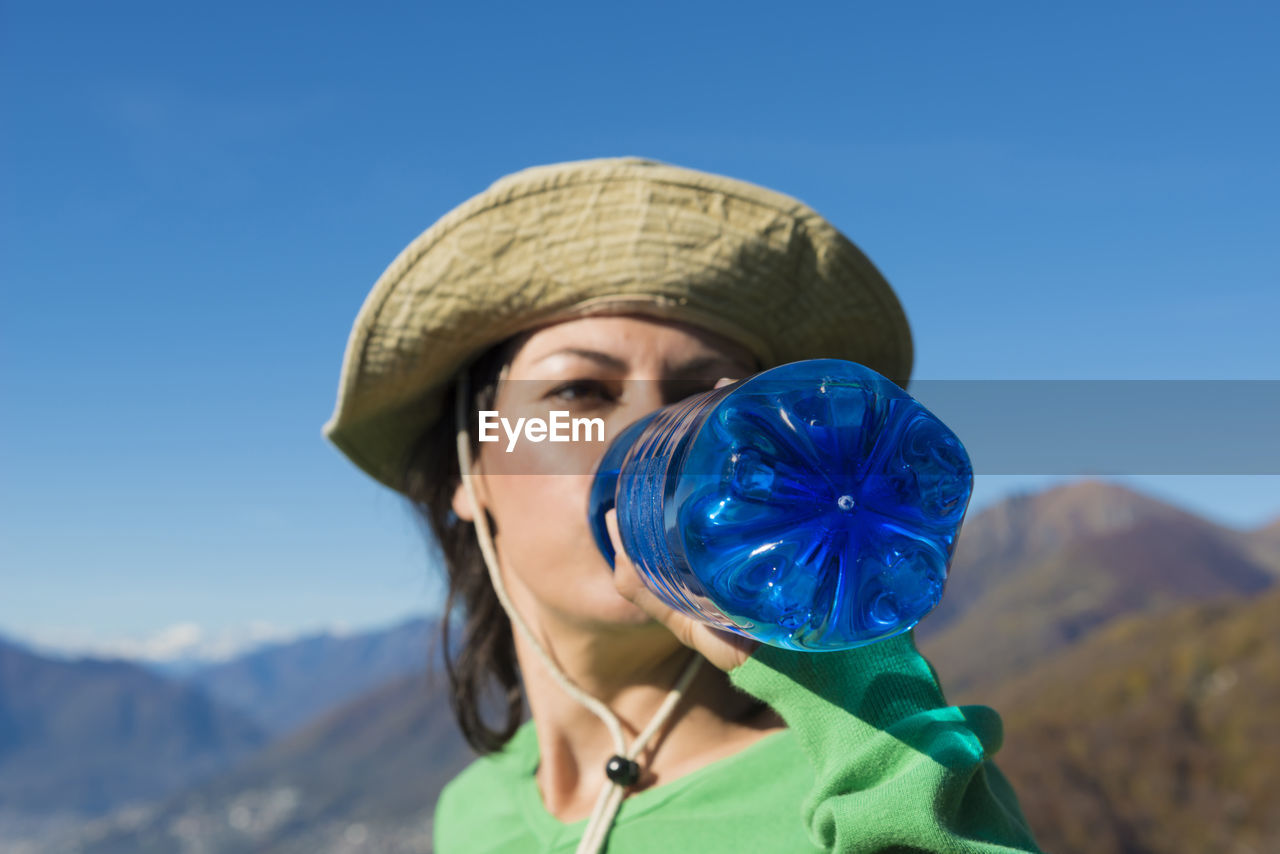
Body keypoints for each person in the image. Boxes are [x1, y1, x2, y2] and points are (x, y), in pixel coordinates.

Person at [322, 157, 1043, 853]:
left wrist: (864, 690)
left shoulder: (878, 791)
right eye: (579, 392)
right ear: (468, 468)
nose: (640, 434)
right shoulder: (475, 813)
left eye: (708, 400)